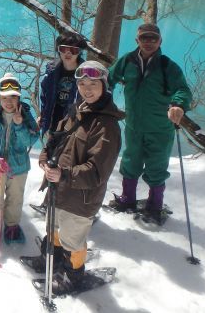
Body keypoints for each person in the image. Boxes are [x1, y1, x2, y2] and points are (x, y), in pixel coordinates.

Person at [34, 61, 124, 293]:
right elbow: (55, 139)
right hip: (58, 190)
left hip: (80, 198)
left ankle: (72, 276)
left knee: (72, 240)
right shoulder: (76, 110)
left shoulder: (106, 125)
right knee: (52, 228)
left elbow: (97, 172)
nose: (87, 88)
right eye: (82, 83)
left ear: (104, 85)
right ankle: (49, 260)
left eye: (93, 83)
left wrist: (63, 174)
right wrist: (45, 157)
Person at [107, 23, 193, 222]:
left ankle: (154, 206)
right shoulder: (127, 61)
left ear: (160, 41)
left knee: (157, 166)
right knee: (130, 161)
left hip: (160, 128)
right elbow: (109, 79)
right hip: (134, 126)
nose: (148, 42)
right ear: (137, 40)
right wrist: (100, 96)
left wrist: (178, 106)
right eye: (144, 38)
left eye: (153, 38)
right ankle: (127, 198)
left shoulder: (167, 66)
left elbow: (183, 90)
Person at [0, 73, 40, 253]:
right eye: (5, 97)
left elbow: (30, 141)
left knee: (15, 199)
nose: (9, 102)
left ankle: (12, 226)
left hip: (18, 169)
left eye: (13, 97)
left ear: (18, 97)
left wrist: (19, 124)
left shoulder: (26, 116)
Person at [38, 32, 87, 137]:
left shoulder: (87, 73)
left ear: (79, 52)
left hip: (75, 126)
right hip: (52, 124)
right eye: (63, 49)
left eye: (74, 50)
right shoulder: (51, 71)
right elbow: (44, 97)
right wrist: (43, 117)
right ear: (58, 50)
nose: (68, 53)